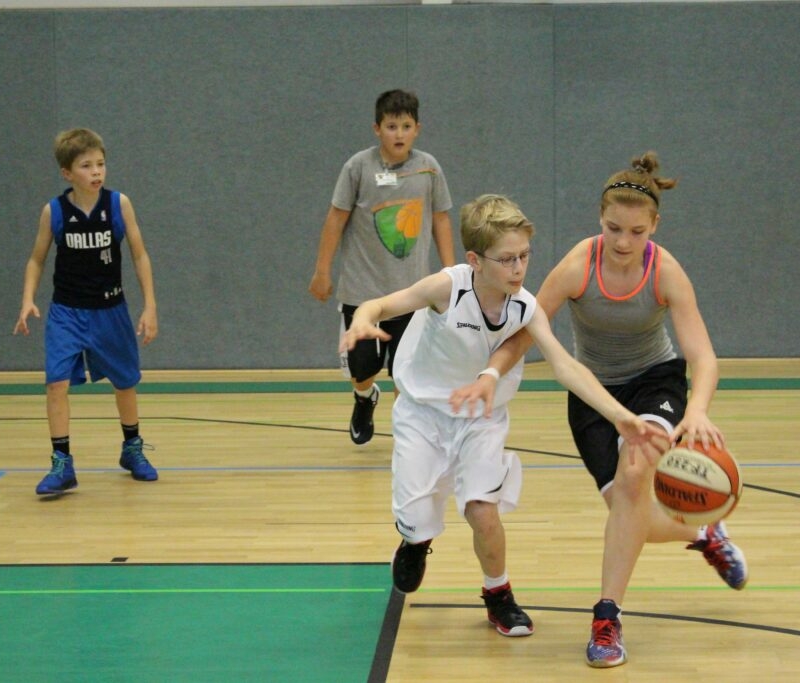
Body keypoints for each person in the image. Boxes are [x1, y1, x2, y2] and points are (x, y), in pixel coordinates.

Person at [450, 153, 748, 667]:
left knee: (634, 476)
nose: (624, 242)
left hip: (654, 383)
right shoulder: (577, 266)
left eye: (636, 231)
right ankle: (703, 533)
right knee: (629, 513)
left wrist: (697, 409)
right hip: (592, 394)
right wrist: (490, 373)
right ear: (599, 219)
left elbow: (702, 356)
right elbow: (526, 330)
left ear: (655, 226)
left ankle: (607, 619)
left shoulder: (665, 271)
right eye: (613, 228)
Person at [341, 194, 669, 638]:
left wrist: (620, 416)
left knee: (483, 512)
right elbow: (380, 305)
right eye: (507, 259)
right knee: (416, 519)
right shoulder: (447, 288)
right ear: (475, 260)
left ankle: (498, 594)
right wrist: (362, 320)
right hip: (422, 414)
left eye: (524, 256)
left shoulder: (524, 307)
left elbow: (565, 365)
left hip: (481, 417)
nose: (519, 269)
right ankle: (416, 541)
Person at [14, 128, 159, 496]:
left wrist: (150, 306)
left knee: (125, 382)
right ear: (67, 173)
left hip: (110, 309)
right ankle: (62, 462)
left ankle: (132, 447)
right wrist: (28, 298)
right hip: (66, 311)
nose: (96, 171)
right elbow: (36, 259)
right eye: (86, 165)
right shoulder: (54, 211)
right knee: (56, 382)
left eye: (100, 164)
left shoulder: (119, 205)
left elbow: (140, 255)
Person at [310, 89, 456, 446]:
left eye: (406, 126)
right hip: (362, 291)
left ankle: (408, 437)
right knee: (362, 369)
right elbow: (335, 218)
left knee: (406, 372)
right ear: (377, 129)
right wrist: (322, 270)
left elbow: (440, 219)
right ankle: (364, 397)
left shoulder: (429, 168)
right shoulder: (358, 167)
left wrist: (452, 273)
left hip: (412, 293)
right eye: (392, 126)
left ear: (417, 129)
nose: (399, 134)